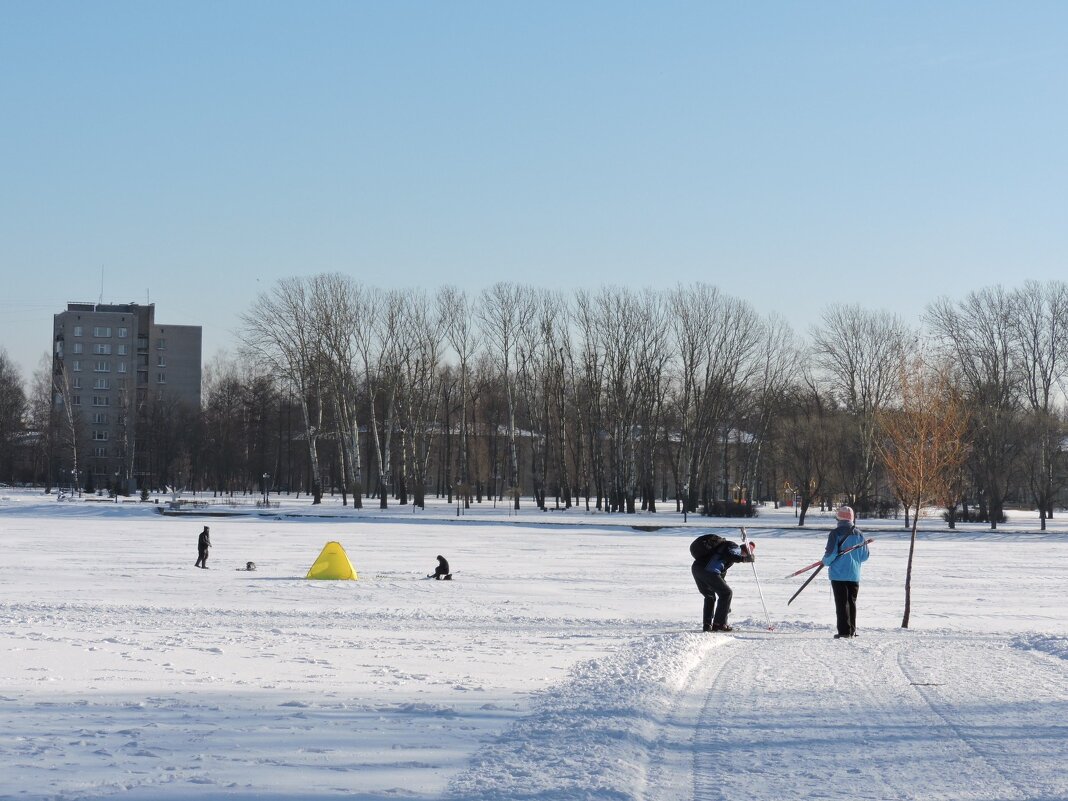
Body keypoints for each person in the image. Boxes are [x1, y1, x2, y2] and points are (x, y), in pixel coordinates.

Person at [823, 506, 869, 638]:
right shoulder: (859, 534)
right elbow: (865, 555)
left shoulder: (835, 533)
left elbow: (830, 554)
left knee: (842, 603)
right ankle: (852, 631)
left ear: (839, 518)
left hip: (838, 574)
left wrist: (825, 561)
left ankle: (844, 632)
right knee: (851, 602)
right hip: (854, 574)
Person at [691, 536, 755, 632]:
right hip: (709, 570)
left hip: (697, 569)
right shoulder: (735, 547)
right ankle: (719, 624)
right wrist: (743, 559)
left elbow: (721, 577)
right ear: (745, 552)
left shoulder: (722, 551)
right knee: (727, 593)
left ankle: (707, 625)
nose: (745, 557)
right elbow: (728, 555)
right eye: (746, 555)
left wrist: (725, 606)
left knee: (710, 596)